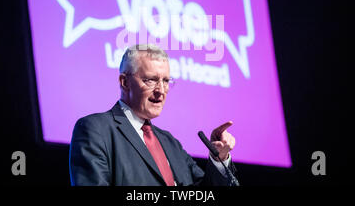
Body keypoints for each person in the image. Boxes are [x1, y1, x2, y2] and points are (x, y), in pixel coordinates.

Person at [69, 44, 238, 186]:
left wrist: (219, 158)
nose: (161, 91)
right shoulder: (96, 130)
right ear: (125, 82)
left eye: (165, 81)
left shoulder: (170, 143)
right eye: (150, 80)